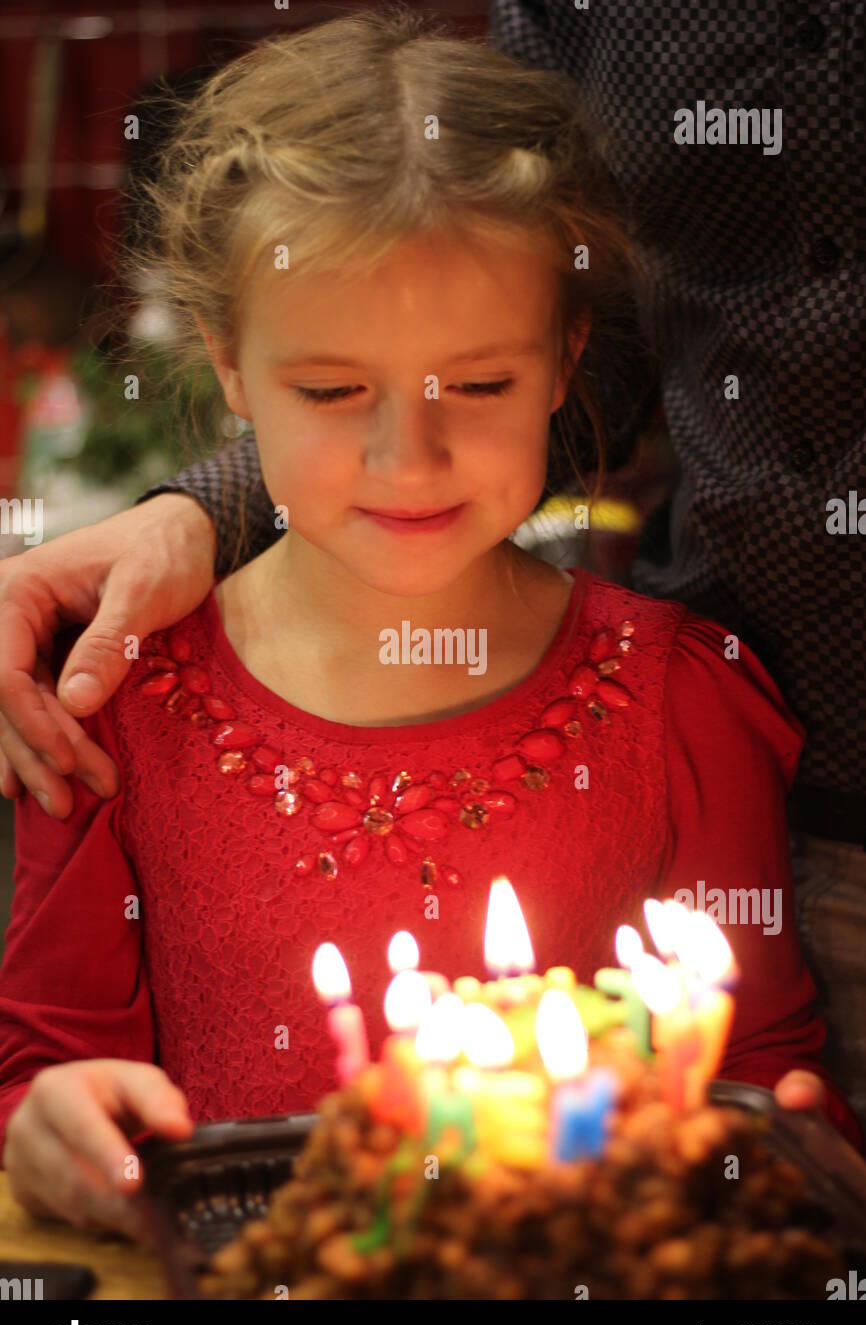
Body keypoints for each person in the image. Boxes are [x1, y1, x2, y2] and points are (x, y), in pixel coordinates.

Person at [0, 10, 860, 1242]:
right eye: (333, 390)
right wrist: (51, 1126)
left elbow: (762, 1080)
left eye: (482, 384)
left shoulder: (683, 699)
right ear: (228, 366)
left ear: (571, 356)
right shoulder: (111, 706)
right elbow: (41, 1079)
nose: (410, 457)